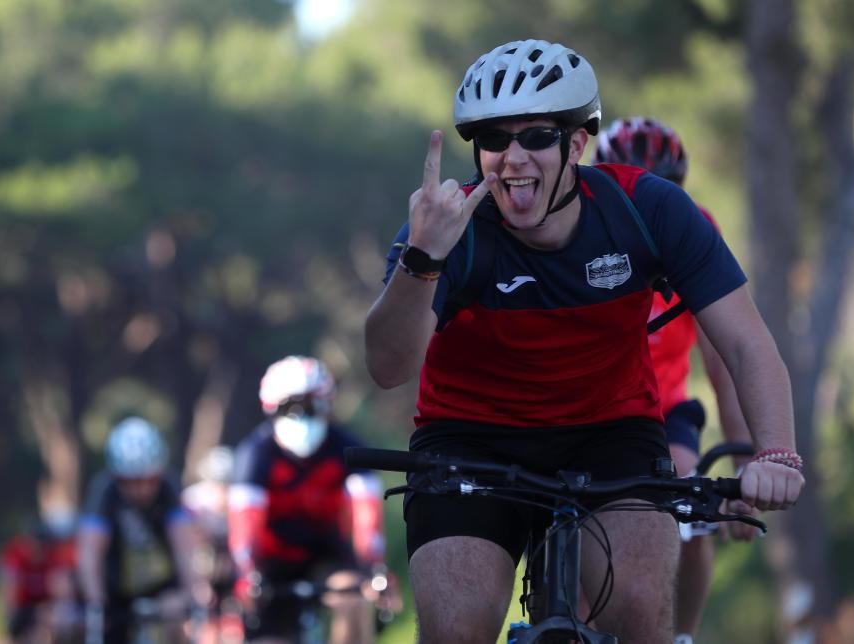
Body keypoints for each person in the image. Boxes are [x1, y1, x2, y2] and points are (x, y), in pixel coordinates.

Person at [364, 38, 805, 643]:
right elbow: (388, 367)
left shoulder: (647, 208)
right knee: (456, 632)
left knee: (641, 611)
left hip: (610, 431)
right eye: (494, 138)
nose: (512, 158)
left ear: (577, 143)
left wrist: (775, 452)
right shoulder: (448, 224)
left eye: (537, 137)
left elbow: (747, 345)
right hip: (469, 438)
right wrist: (422, 259)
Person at [593, 116, 760, 643]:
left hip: (662, 411)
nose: (645, 202)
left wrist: (743, 460)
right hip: (583, 408)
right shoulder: (573, 229)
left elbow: (726, 361)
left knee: (687, 498)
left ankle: (681, 635)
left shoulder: (693, 230)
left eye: (662, 188)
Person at [228, 355, 395, 644]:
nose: (301, 415)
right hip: (272, 563)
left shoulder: (347, 447)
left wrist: (374, 567)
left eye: (311, 406)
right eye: (289, 408)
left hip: (327, 554)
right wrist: (247, 574)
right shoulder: (254, 455)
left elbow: (367, 516)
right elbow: (244, 526)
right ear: (271, 410)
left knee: (353, 596)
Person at [77, 416, 208, 643]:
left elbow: (184, 547)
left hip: (163, 588)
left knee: (177, 626)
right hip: (115, 592)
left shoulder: (169, 487)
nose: (141, 489)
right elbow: (89, 553)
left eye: (149, 479)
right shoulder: (103, 491)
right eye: (130, 481)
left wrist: (191, 593)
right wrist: (96, 601)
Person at [181, 445, 240, 642]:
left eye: (227, 485)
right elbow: (187, 546)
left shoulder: (241, 499)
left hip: (232, 568)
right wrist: (198, 583)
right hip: (202, 564)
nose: (222, 491)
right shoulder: (193, 502)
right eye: (217, 484)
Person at [0, 518, 78, 643]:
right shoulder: (15, 554)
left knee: (58, 618)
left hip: (45, 605)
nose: (42, 549)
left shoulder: (53, 555)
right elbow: (10, 588)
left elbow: (61, 588)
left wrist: (55, 608)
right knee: (17, 628)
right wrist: (11, 617)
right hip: (22, 605)